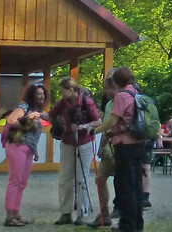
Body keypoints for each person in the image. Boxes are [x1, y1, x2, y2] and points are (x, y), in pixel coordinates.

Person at [97, 67, 146, 232]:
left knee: (126, 187)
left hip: (125, 146)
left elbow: (112, 121)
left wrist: (96, 130)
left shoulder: (121, 96)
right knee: (136, 186)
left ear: (116, 81)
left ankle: (127, 225)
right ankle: (137, 224)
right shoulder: (136, 94)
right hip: (138, 143)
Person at [48, 78, 101, 226]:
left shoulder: (86, 102)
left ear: (71, 90)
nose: (61, 94)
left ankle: (82, 214)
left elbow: (98, 121)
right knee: (65, 177)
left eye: (62, 91)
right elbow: (51, 115)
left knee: (82, 178)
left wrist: (84, 126)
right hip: (67, 141)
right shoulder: (63, 102)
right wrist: (36, 115)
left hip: (84, 142)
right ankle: (65, 213)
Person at [1, 82, 47, 227]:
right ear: (32, 95)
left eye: (43, 94)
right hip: (17, 145)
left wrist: (35, 149)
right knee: (15, 181)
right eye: (38, 94)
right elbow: (11, 120)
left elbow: (33, 134)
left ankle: (16, 213)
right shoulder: (24, 107)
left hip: (28, 148)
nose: (41, 96)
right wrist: (24, 126)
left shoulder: (36, 110)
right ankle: (9, 217)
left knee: (22, 183)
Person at [87, 73, 120, 227]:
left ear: (115, 88)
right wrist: (101, 146)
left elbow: (111, 125)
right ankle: (104, 213)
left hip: (119, 148)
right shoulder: (108, 104)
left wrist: (96, 130)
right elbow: (107, 126)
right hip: (108, 148)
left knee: (122, 182)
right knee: (100, 179)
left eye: (107, 88)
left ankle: (124, 212)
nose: (105, 91)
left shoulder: (121, 103)